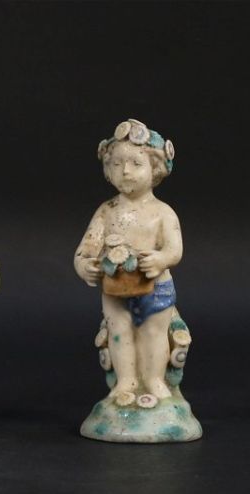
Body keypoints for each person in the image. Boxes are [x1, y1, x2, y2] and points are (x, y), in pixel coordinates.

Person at [74, 119, 183, 404]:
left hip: (157, 288)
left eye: (136, 163)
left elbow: (175, 250)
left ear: (155, 168)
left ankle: (153, 379)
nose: (125, 171)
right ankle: (126, 381)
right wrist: (84, 265)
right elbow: (86, 249)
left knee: (154, 333)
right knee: (118, 331)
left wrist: (160, 259)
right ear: (108, 170)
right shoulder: (107, 211)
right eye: (117, 164)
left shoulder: (163, 213)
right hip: (115, 288)